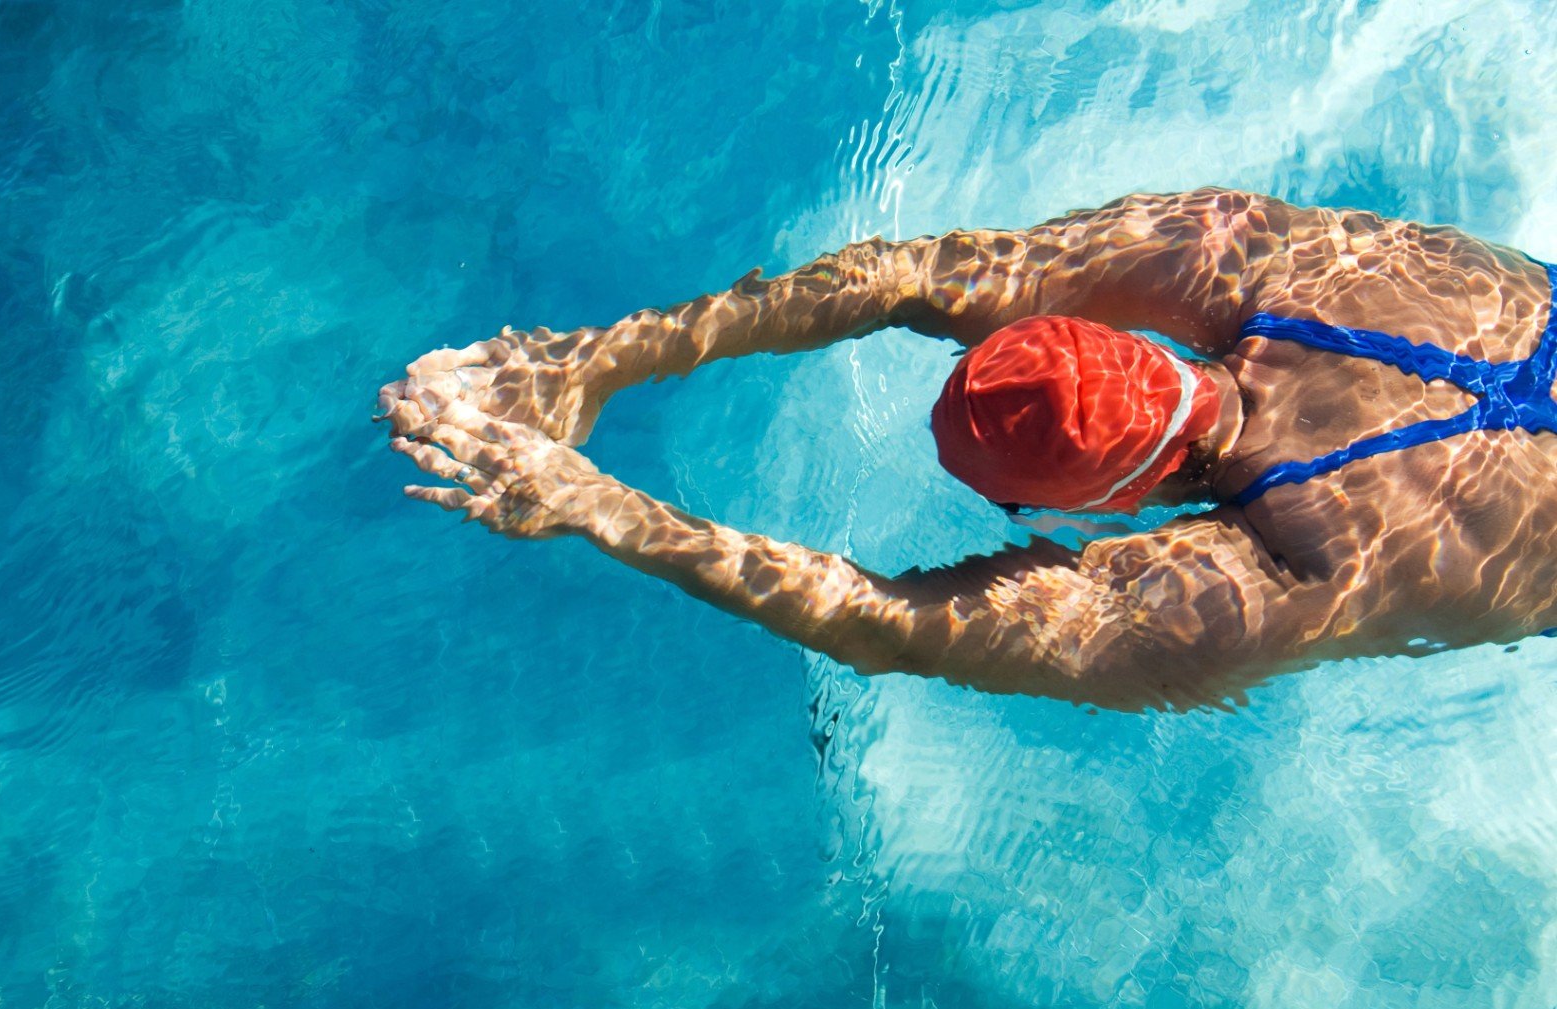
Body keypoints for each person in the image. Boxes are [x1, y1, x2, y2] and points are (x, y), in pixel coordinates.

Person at [375, 188, 1557, 712]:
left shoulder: (1279, 580)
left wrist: (593, 505)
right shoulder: (1261, 261)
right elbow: (907, 276)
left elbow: (884, 621)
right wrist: (595, 360)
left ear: (1120, 500)